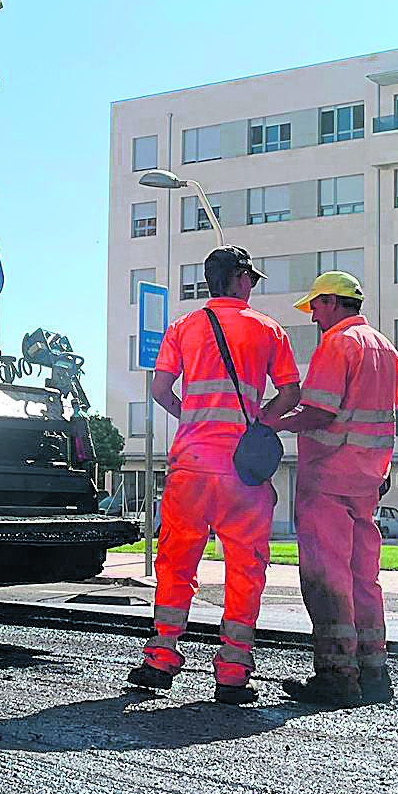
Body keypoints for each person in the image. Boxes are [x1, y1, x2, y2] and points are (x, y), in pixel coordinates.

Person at [128, 246, 302, 705]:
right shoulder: (267, 330)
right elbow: (291, 392)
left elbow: (161, 389)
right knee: (245, 568)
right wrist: (258, 420)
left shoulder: (182, 328)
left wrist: (193, 418)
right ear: (241, 279)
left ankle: (161, 657)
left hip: (190, 466)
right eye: (253, 279)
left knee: (176, 562)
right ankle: (232, 671)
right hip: (242, 472)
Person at [267, 271, 398, 708]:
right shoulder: (386, 349)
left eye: (314, 309)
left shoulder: (338, 345)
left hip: (328, 477)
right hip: (367, 480)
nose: (312, 319)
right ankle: (374, 671)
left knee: (327, 577)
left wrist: (270, 423)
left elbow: (320, 413)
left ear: (331, 303)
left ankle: (336, 675)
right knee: (364, 578)